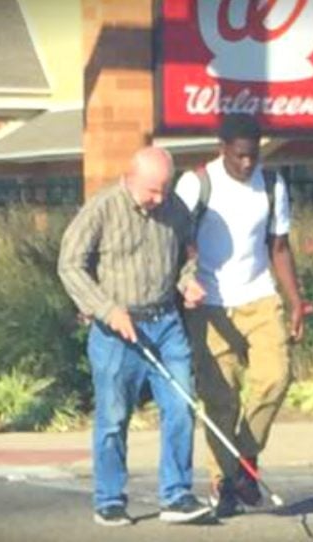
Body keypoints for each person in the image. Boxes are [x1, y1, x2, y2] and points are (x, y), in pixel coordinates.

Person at [58, 146, 211, 526]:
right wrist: (107, 309)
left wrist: (188, 283)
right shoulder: (102, 208)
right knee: (113, 415)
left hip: (166, 322)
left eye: (165, 189)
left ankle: (176, 494)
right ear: (130, 177)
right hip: (116, 330)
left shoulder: (174, 209)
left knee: (180, 406)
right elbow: (70, 265)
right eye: (152, 191)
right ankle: (109, 498)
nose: (160, 199)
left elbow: (185, 256)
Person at [173, 114, 305, 517]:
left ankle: (244, 462)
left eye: (253, 156)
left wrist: (297, 300)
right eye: (240, 156)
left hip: (261, 296)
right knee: (221, 398)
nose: (248, 164)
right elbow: (173, 243)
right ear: (223, 147)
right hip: (210, 302)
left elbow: (278, 247)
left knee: (276, 378)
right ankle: (221, 480)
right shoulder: (196, 184)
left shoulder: (272, 184)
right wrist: (182, 287)